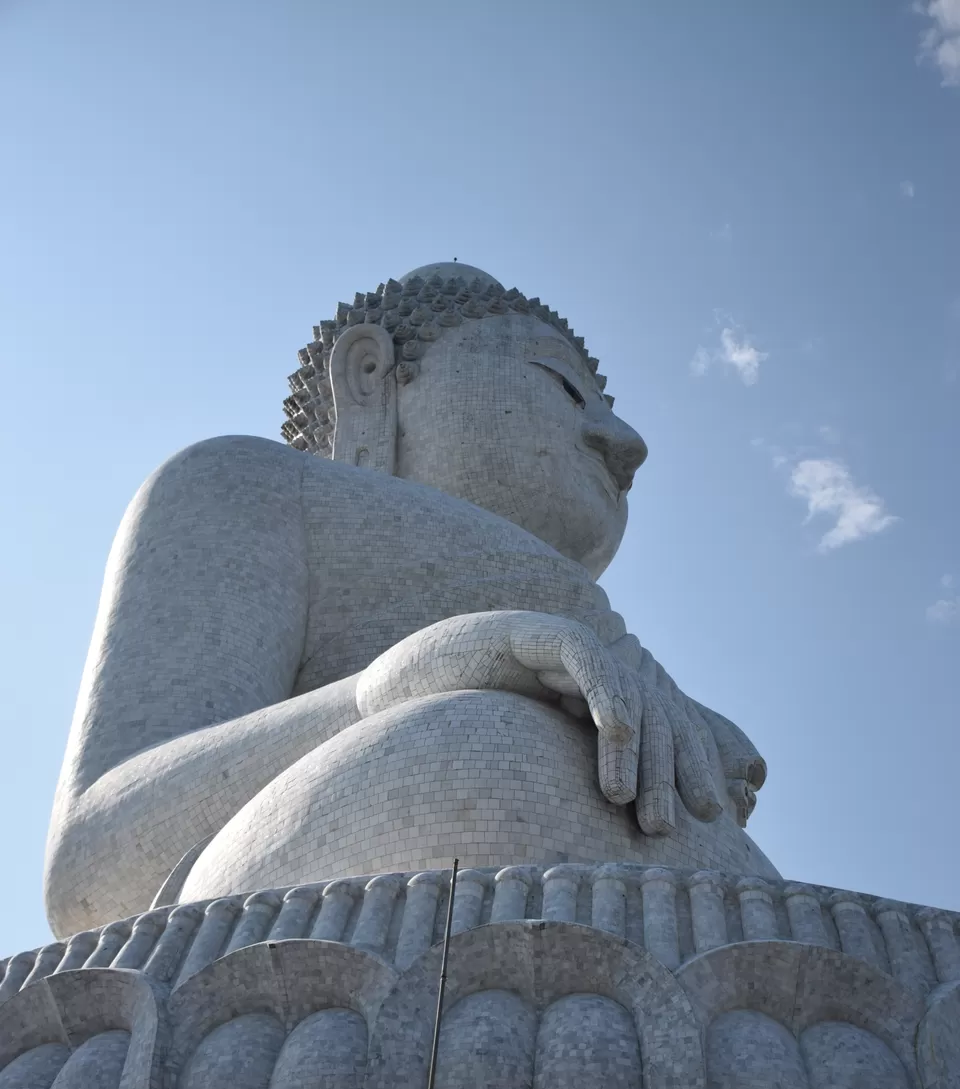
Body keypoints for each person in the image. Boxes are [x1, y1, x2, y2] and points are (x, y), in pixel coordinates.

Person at [44, 264, 774, 938]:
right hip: (288, 939)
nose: (624, 442)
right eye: (563, 387)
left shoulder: (600, 626)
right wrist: (384, 690)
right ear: (373, 377)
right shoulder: (250, 485)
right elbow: (93, 875)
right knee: (476, 743)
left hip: (677, 959)